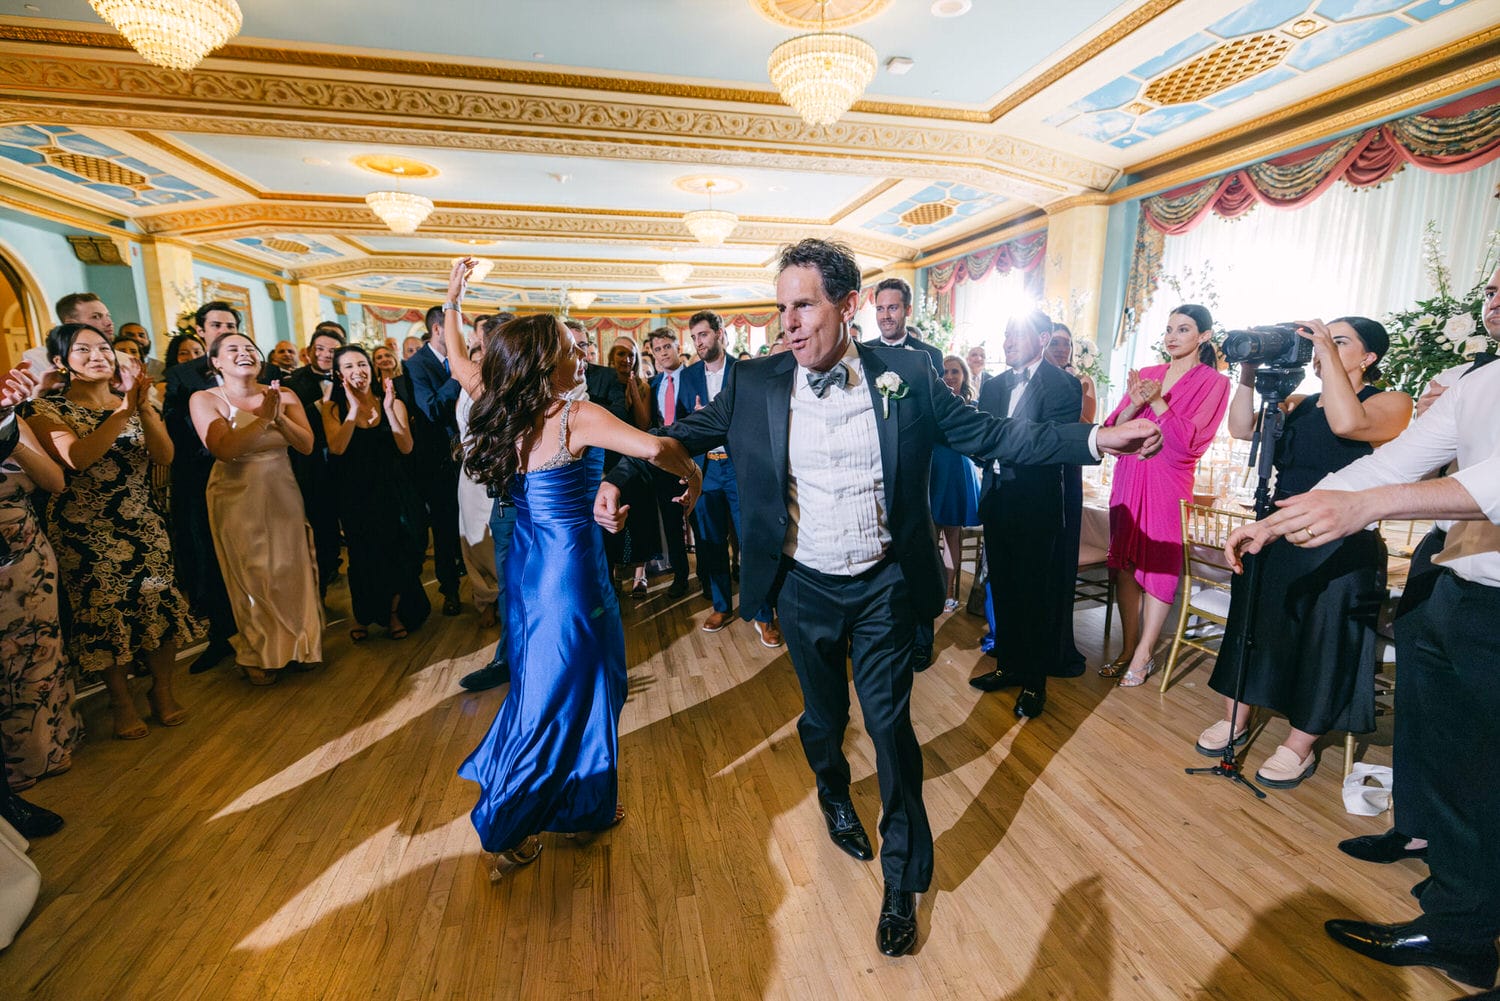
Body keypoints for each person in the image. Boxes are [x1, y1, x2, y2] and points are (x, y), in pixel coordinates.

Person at [596, 239, 1162, 956]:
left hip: (885, 588)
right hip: (801, 588)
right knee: (825, 718)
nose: (789, 323)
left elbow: (993, 432)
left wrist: (1096, 437)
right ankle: (832, 787)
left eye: (804, 305)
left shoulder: (909, 374)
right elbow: (674, 433)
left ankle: (903, 879)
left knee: (892, 730)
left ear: (849, 305)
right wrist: (618, 475)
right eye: (781, 308)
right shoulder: (757, 380)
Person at [1222, 289, 1500, 989]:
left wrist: (1367, 506)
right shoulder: (1475, 380)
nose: (1493, 292)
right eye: (1490, 283)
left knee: (1484, 769)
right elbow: (1392, 463)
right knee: (1443, 746)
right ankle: (1444, 884)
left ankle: (1462, 926)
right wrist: (1281, 520)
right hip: (1457, 583)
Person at [449, 283, 701, 876]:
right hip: (570, 574)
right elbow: (654, 446)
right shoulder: (574, 414)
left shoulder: (496, 397)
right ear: (543, 362)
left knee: (564, 685)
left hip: (531, 567)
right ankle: (507, 823)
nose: (581, 354)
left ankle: (584, 804)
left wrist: (453, 301)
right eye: (569, 347)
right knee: (569, 694)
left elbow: (462, 362)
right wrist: (691, 473)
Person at [1197, 318, 1411, 786]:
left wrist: (1327, 359)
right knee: (1253, 626)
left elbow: (1346, 422)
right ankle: (1236, 717)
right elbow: (1240, 429)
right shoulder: (1300, 403)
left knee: (1324, 641)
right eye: (1319, 340)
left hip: (1341, 543)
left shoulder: (1391, 403)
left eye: (1339, 342)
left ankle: (1300, 743)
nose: (1321, 349)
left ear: (1369, 357)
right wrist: (1249, 374)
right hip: (1277, 534)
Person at [26, 323, 198, 739]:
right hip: (85, 530)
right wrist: (124, 412)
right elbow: (78, 458)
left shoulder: (131, 401)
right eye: (82, 350)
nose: (97, 355)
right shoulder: (46, 411)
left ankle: (161, 690)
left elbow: (164, 455)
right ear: (60, 362)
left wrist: (141, 410)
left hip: (143, 521)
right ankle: (121, 701)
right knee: (105, 615)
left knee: (159, 603)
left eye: (102, 347)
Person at [1100, 304, 1230, 688]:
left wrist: (1157, 401)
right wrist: (1137, 400)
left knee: (1158, 565)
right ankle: (1128, 647)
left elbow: (1190, 443)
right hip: (1130, 475)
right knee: (1124, 564)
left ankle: (1144, 654)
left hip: (1168, 479)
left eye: (1184, 329)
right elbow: (1114, 429)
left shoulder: (1214, 383)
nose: (1172, 336)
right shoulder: (1150, 374)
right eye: (1169, 328)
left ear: (1204, 336)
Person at [967, 314, 1084, 716]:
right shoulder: (995, 384)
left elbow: (1053, 444)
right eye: (1005, 333)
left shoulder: (1064, 384)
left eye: (1016, 334)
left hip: (1036, 505)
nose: (1008, 341)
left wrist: (1001, 445)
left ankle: (1034, 683)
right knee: (1004, 590)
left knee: (1035, 595)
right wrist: (982, 449)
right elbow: (982, 436)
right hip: (997, 499)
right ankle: (1007, 668)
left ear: (1043, 338)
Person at [190, 332, 322, 685]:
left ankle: (302, 645)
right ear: (215, 361)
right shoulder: (205, 399)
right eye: (232, 349)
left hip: (281, 486)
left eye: (249, 348)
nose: (244, 352)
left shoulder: (285, 395)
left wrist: (279, 417)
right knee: (251, 571)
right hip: (236, 491)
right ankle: (259, 651)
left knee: (291, 566)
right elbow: (223, 448)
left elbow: (307, 445)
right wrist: (263, 418)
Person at [161, 305, 258, 675]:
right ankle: (223, 636)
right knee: (214, 557)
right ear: (201, 331)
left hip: (257, 474)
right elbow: (177, 428)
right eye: (216, 325)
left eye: (231, 326)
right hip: (205, 474)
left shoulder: (253, 367)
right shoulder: (182, 375)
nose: (223, 330)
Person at [679, 310, 781, 645]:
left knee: (751, 541)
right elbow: (683, 423)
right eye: (694, 337)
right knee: (710, 544)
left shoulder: (744, 371)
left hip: (740, 468)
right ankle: (722, 606)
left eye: (704, 335)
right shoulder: (688, 375)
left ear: (721, 334)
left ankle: (764, 614)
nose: (699, 343)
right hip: (705, 470)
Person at [322, 344, 430, 641]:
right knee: (362, 557)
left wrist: (390, 412)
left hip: (394, 491)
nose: (358, 371)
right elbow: (337, 447)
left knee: (398, 554)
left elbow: (406, 447)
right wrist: (354, 410)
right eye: (349, 367)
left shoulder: (392, 402)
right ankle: (363, 615)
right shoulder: (332, 409)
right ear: (339, 374)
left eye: (362, 364)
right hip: (356, 494)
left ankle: (394, 614)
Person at [0, 387, 78, 791]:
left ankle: (48, 745)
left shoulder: (12, 420)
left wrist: (10, 438)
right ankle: (13, 763)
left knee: (39, 649)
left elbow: (55, 480)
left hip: (27, 555)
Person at [406, 307, 466, 616]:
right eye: (457, 330)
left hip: (469, 456)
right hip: (438, 461)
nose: (463, 338)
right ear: (438, 330)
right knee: (444, 527)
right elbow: (429, 409)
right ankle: (450, 589)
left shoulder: (463, 358)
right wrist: (456, 378)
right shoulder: (416, 366)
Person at [284, 323, 346, 594]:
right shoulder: (292, 383)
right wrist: (322, 404)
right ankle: (317, 592)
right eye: (319, 349)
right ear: (309, 352)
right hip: (311, 465)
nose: (325, 355)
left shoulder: (349, 376)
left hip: (346, 462)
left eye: (332, 350)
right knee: (319, 526)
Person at [928, 354, 981, 616]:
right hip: (932, 471)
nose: (949, 376)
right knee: (929, 536)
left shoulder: (971, 404)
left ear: (964, 376)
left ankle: (949, 592)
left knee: (952, 536)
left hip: (958, 472)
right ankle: (931, 589)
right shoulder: (931, 402)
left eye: (955, 372)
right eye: (945, 372)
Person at [456, 338, 500, 628]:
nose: (479, 364)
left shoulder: (503, 389)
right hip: (471, 474)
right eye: (475, 359)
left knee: (499, 539)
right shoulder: (463, 392)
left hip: (500, 470)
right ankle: (484, 598)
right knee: (474, 538)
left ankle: (506, 597)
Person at [646, 328, 693, 600]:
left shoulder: (693, 377)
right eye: (658, 349)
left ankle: (710, 576)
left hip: (694, 459)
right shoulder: (652, 385)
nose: (663, 353)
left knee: (702, 521)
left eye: (667, 347)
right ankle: (681, 576)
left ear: (678, 346)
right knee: (673, 524)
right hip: (665, 463)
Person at [1045, 324, 1097, 423]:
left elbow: (1087, 426)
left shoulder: (1083, 382)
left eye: (1066, 344)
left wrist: (1068, 389)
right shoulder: (1033, 379)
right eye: (1054, 343)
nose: (1061, 349)